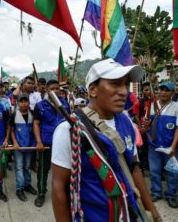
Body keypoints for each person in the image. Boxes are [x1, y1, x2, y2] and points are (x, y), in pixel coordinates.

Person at [51, 59, 161, 222]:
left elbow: (134, 169)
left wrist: (153, 211)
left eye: (125, 84)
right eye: (115, 84)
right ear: (93, 90)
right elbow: (59, 187)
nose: (124, 91)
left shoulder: (126, 122)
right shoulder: (68, 129)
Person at [33, 79, 69, 207]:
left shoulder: (65, 104)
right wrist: (39, 141)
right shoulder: (40, 105)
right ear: (47, 90)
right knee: (43, 169)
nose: (55, 91)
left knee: (64, 169)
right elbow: (36, 124)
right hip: (46, 143)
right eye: (52, 88)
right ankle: (41, 193)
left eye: (57, 88)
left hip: (63, 144)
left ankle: (65, 193)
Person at [148, 81, 178, 208]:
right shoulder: (153, 105)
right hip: (154, 146)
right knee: (154, 170)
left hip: (170, 146)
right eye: (161, 89)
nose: (163, 92)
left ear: (173, 92)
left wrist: (173, 147)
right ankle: (156, 192)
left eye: (167, 90)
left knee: (173, 172)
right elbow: (149, 124)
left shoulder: (176, 106)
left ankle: (171, 195)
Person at [10, 93, 37, 202]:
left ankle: (27, 185)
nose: (24, 103)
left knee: (27, 167)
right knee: (19, 168)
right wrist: (15, 142)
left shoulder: (33, 114)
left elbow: (35, 130)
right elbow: (11, 130)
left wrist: (35, 143)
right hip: (19, 147)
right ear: (18, 103)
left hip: (30, 146)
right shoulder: (14, 115)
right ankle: (19, 189)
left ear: (29, 103)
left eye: (26, 101)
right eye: (21, 101)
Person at [132, 82, 152, 171]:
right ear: (142, 91)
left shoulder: (154, 102)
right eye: (146, 90)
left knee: (150, 147)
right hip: (143, 129)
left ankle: (149, 165)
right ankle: (142, 166)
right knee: (143, 148)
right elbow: (136, 116)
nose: (149, 91)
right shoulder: (138, 103)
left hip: (152, 129)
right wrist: (141, 127)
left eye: (149, 89)